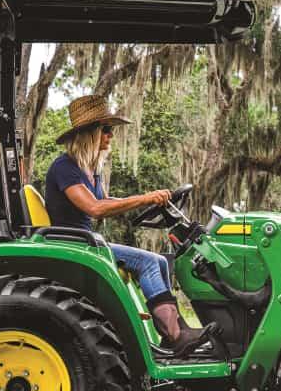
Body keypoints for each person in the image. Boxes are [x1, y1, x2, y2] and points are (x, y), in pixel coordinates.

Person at [43, 93, 216, 356]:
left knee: (158, 261)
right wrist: (143, 199)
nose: (111, 136)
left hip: (88, 243)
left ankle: (173, 334)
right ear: (90, 133)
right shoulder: (64, 167)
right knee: (147, 262)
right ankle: (175, 334)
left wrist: (147, 200)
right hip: (76, 245)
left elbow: (103, 199)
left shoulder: (89, 169)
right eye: (107, 130)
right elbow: (94, 208)